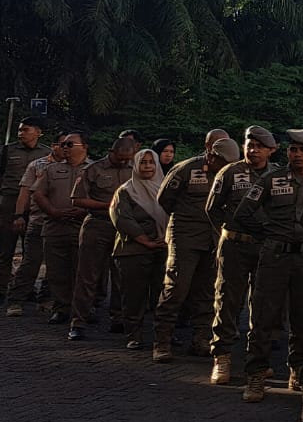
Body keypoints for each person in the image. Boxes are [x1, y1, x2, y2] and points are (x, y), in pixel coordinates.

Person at [235, 127, 303, 404]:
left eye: (302, 150)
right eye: (292, 149)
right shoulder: (271, 179)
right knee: (263, 317)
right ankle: (256, 375)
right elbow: (243, 213)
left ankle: (299, 372)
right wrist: (268, 231)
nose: (296, 154)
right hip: (274, 257)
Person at [152, 132, 235, 365]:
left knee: (208, 291)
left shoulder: (232, 173)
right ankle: (162, 341)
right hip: (186, 236)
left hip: (214, 238)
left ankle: (201, 339)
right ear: (210, 151)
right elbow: (164, 199)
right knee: (176, 287)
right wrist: (186, 220)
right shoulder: (186, 169)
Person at [207, 126, 277, 373]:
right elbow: (212, 209)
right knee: (227, 300)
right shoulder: (230, 172)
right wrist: (226, 234)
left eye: (259, 146)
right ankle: (222, 356)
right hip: (234, 246)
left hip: (265, 248)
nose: (253, 150)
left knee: (263, 304)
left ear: (271, 150)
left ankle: (257, 359)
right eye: (250, 145)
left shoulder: (278, 176)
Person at [67, 135, 136, 340]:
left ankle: (118, 318)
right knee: (88, 276)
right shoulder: (93, 169)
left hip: (124, 227)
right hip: (98, 224)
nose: (124, 162)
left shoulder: (135, 170)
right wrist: (108, 206)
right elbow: (77, 200)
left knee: (121, 276)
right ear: (112, 152)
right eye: (120, 158)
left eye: (127, 159)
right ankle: (78, 321)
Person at [109, 148, 167, 349]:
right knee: (133, 295)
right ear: (136, 165)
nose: (148, 166)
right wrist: (145, 240)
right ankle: (134, 334)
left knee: (163, 296)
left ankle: (163, 336)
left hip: (162, 250)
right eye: (143, 162)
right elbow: (122, 219)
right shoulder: (126, 190)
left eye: (151, 162)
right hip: (133, 250)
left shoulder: (165, 188)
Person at [1, 116, 50, 314]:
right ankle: (2, 288)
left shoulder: (47, 153)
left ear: (38, 132)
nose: (21, 133)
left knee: (33, 252)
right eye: (20, 130)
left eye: (26, 130)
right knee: (6, 248)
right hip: (10, 202)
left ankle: (26, 288)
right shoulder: (7, 150)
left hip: (36, 204)